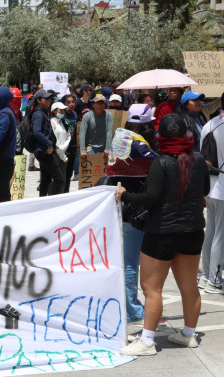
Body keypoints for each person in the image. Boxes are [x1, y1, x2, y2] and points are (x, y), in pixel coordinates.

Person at [117, 114, 210, 355]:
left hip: (162, 233)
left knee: (151, 288)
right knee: (189, 286)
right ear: (188, 136)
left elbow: (150, 199)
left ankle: (147, 341)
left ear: (162, 138)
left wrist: (123, 194)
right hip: (192, 231)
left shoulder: (161, 163)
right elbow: (206, 190)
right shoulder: (199, 160)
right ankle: (189, 335)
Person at [106, 104, 160, 330]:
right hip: (135, 210)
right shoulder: (139, 145)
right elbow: (161, 164)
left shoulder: (122, 137)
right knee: (130, 263)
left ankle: (130, 304)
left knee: (129, 260)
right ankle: (132, 308)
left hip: (125, 208)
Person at [199, 87, 224, 294]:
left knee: (211, 233)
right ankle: (215, 280)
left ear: (221, 104)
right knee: (221, 234)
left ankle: (206, 276)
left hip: (210, 187)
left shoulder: (210, 123)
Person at [30, 89, 63, 197]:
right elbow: (37, 132)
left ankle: (42, 202)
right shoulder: (38, 114)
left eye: (50, 99)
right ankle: (52, 203)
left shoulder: (43, 112)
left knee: (45, 180)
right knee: (59, 179)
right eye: (46, 99)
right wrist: (49, 144)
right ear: (39, 100)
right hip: (44, 151)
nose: (49, 101)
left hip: (44, 150)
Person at [79, 94, 113, 162]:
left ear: (105, 105)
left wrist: (107, 148)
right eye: (97, 103)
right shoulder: (87, 116)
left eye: (102, 103)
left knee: (102, 171)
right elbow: (82, 133)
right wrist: (82, 150)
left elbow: (109, 132)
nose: (99, 105)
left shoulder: (108, 115)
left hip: (104, 149)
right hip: (90, 148)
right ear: (93, 104)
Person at [50, 101, 71, 194]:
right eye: (61, 110)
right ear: (54, 111)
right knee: (55, 180)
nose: (63, 112)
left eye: (64, 110)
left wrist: (63, 153)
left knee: (63, 180)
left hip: (63, 155)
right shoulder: (52, 123)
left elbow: (68, 137)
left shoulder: (63, 123)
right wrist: (63, 156)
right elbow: (55, 142)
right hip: (55, 155)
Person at [61, 94, 79, 187]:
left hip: (72, 147)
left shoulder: (75, 114)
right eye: (69, 102)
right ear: (64, 103)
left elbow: (76, 131)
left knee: (69, 175)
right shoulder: (61, 115)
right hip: (63, 148)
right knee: (62, 175)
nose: (71, 104)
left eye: (73, 102)